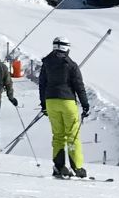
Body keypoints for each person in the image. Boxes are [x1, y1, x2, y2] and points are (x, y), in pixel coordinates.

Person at [39, 36, 91, 178]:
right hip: (67, 102)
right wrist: (85, 104)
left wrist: (43, 104)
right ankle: (77, 167)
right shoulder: (71, 64)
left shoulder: (46, 63)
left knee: (58, 135)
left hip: (50, 102)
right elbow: (79, 86)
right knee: (72, 135)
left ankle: (59, 166)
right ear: (66, 47)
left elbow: (42, 84)